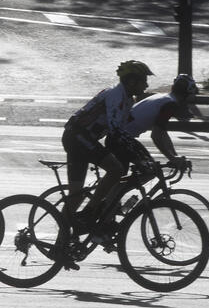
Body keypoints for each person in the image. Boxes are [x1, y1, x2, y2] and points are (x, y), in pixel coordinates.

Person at [59, 60, 153, 229]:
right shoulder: (116, 96)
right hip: (77, 136)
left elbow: (123, 134)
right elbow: (115, 132)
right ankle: (90, 212)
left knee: (76, 195)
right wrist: (138, 158)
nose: (146, 84)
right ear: (131, 81)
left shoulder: (127, 99)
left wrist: (141, 156)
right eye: (143, 80)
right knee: (115, 169)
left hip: (79, 137)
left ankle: (62, 240)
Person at [122, 73, 198, 163]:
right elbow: (156, 136)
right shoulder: (170, 105)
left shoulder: (164, 97)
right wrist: (172, 158)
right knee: (149, 170)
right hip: (122, 139)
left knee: (146, 169)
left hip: (122, 137)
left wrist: (174, 155)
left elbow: (163, 134)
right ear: (186, 94)